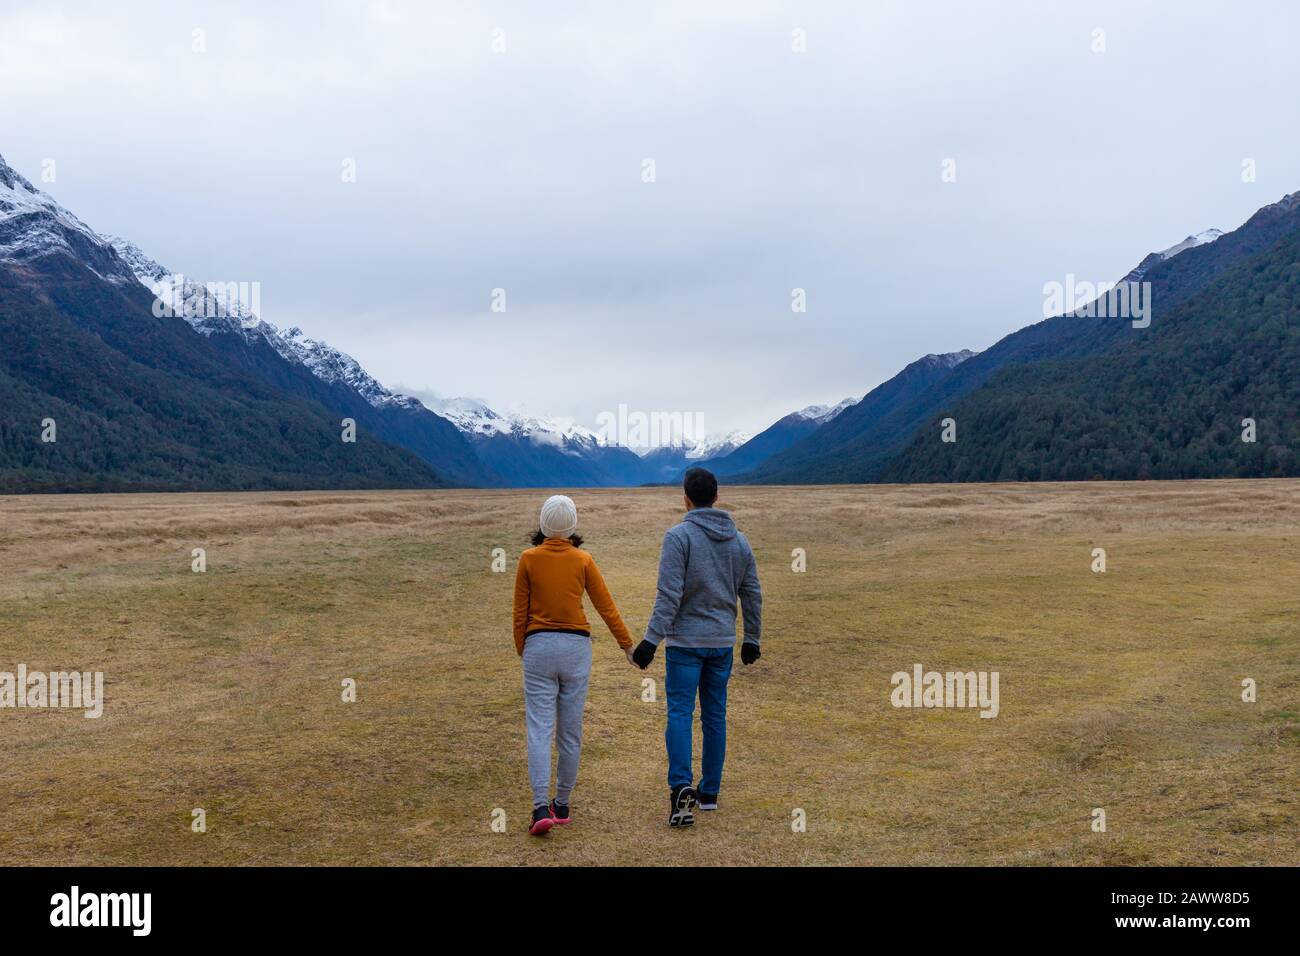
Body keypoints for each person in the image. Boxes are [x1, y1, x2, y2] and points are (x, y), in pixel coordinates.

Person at [631, 467, 763, 827]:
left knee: (679, 713)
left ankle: (680, 792)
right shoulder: (740, 541)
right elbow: (751, 592)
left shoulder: (678, 537)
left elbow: (669, 595)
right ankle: (710, 794)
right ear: (716, 496)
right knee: (715, 716)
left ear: (685, 498)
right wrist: (752, 637)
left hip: (685, 643)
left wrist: (650, 640)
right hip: (721, 642)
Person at [513, 494, 636, 836]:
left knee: (539, 729)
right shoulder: (583, 559)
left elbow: (519, 611)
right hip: (576, 648)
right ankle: (562, 804)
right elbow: (605, 606)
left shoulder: (528, 559)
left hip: (538, 645)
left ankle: (540, 807)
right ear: (572, 526)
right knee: (570, 731)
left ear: (542, 524)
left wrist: (524, 647)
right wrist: (626, 645)